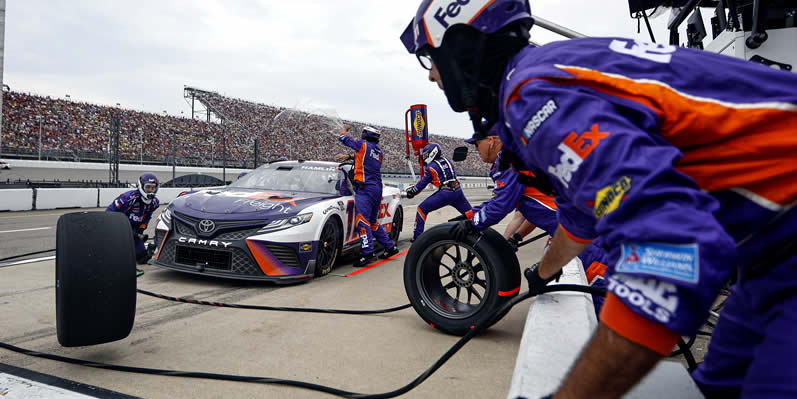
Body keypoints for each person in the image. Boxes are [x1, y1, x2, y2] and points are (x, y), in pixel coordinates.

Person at [400, 1, 797, 398]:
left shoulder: (533, 95)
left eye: (432, 59)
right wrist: (545, 271)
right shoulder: (552, 74)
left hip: (784, 237)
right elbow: (580, 217)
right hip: (771, 251)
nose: (434, 74)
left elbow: (671, 251)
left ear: (462, 49)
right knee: (718, 386)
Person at [453, 127, 607, 313]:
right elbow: (531, 210)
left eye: (477, 144)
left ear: (492, 140)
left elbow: (500, 206)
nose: (476, 150)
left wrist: (473, 223)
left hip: (588, 240)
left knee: (605, 305)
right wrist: (514, 237)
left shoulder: (509, 159)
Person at [337, 125, 399, 267]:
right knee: (372, 222)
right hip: (376, 188)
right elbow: (365, 158)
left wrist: (344, 130)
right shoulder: (379, 152)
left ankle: (368, 254)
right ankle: (390, 247)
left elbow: (343, 138)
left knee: (362, 221)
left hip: (365, 189)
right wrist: (350, 156)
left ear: (366, 134)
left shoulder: (362, 144)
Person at [405, 142, 473, 241]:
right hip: (457, 190)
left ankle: (417, 238)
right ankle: (479, 232)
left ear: (432, 153)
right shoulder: (449, 161)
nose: (424, 157)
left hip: (445, 193)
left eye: (426, 155)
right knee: (471, 213)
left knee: (421, 209)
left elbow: (422, 184)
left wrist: (412, 192)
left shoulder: (431, 168)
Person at [105, 173, 161, 276]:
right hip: (117, 228)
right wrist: (117, 227)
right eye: (148, 187)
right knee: (118, 260)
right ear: (141, 186)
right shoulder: (127, 198)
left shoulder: (155, 203)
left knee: (143, 258)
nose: (150, 190)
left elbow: (147, 218)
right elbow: (108, 213)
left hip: (134, 231)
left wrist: (141, 230)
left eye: (152, 188)